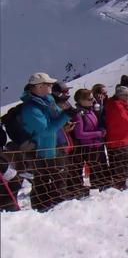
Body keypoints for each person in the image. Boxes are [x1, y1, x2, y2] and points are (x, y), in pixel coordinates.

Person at [20, 73, 75, 211]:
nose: (51, 86)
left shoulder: (48, 99)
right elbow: (45, 131)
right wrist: (66, 116)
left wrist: (66, 121)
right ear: (38, 86)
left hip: (57, 146)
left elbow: (56, 116)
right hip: (42, 151)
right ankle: (41, 211)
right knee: (42, 183)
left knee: (60, 178)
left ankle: (59, 207)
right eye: (48, 84)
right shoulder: (30, 108)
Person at [68, 89, 109, 194]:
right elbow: (79, 134)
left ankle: (102, 188)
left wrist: (101, 129)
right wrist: (98, 133)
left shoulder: (90, 110)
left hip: (97, 144)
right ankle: (96, 191)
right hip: (88, 146)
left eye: (93, 99)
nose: (92, 101)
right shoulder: (78, 114)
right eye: (90, 99)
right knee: (95, 169)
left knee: (100, 168)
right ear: (81, 100)